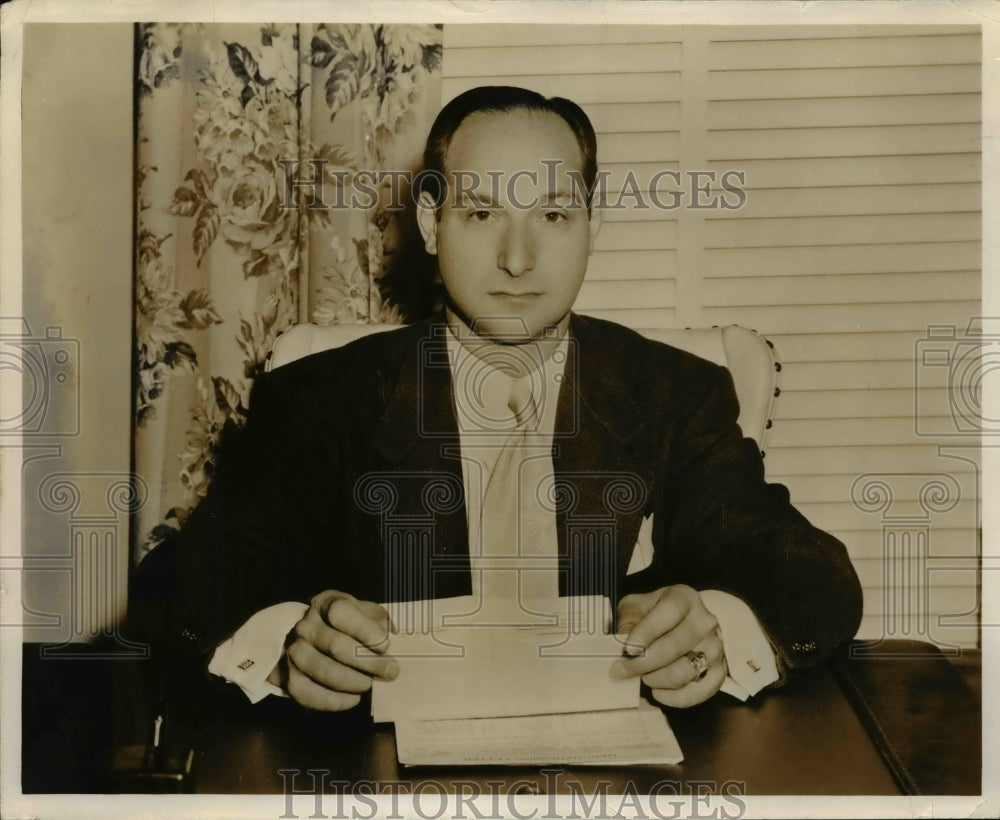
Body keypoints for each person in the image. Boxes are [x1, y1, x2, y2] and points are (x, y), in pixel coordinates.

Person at [160, 86, 863, 714]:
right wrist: (284, 644)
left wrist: (718, 626)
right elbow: (183, 582)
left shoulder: (677, 391)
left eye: (554, 216)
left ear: (594, 226)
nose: (518, 260)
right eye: (481, 213)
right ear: (432, 226)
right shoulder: (320, 396)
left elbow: (809, 574)